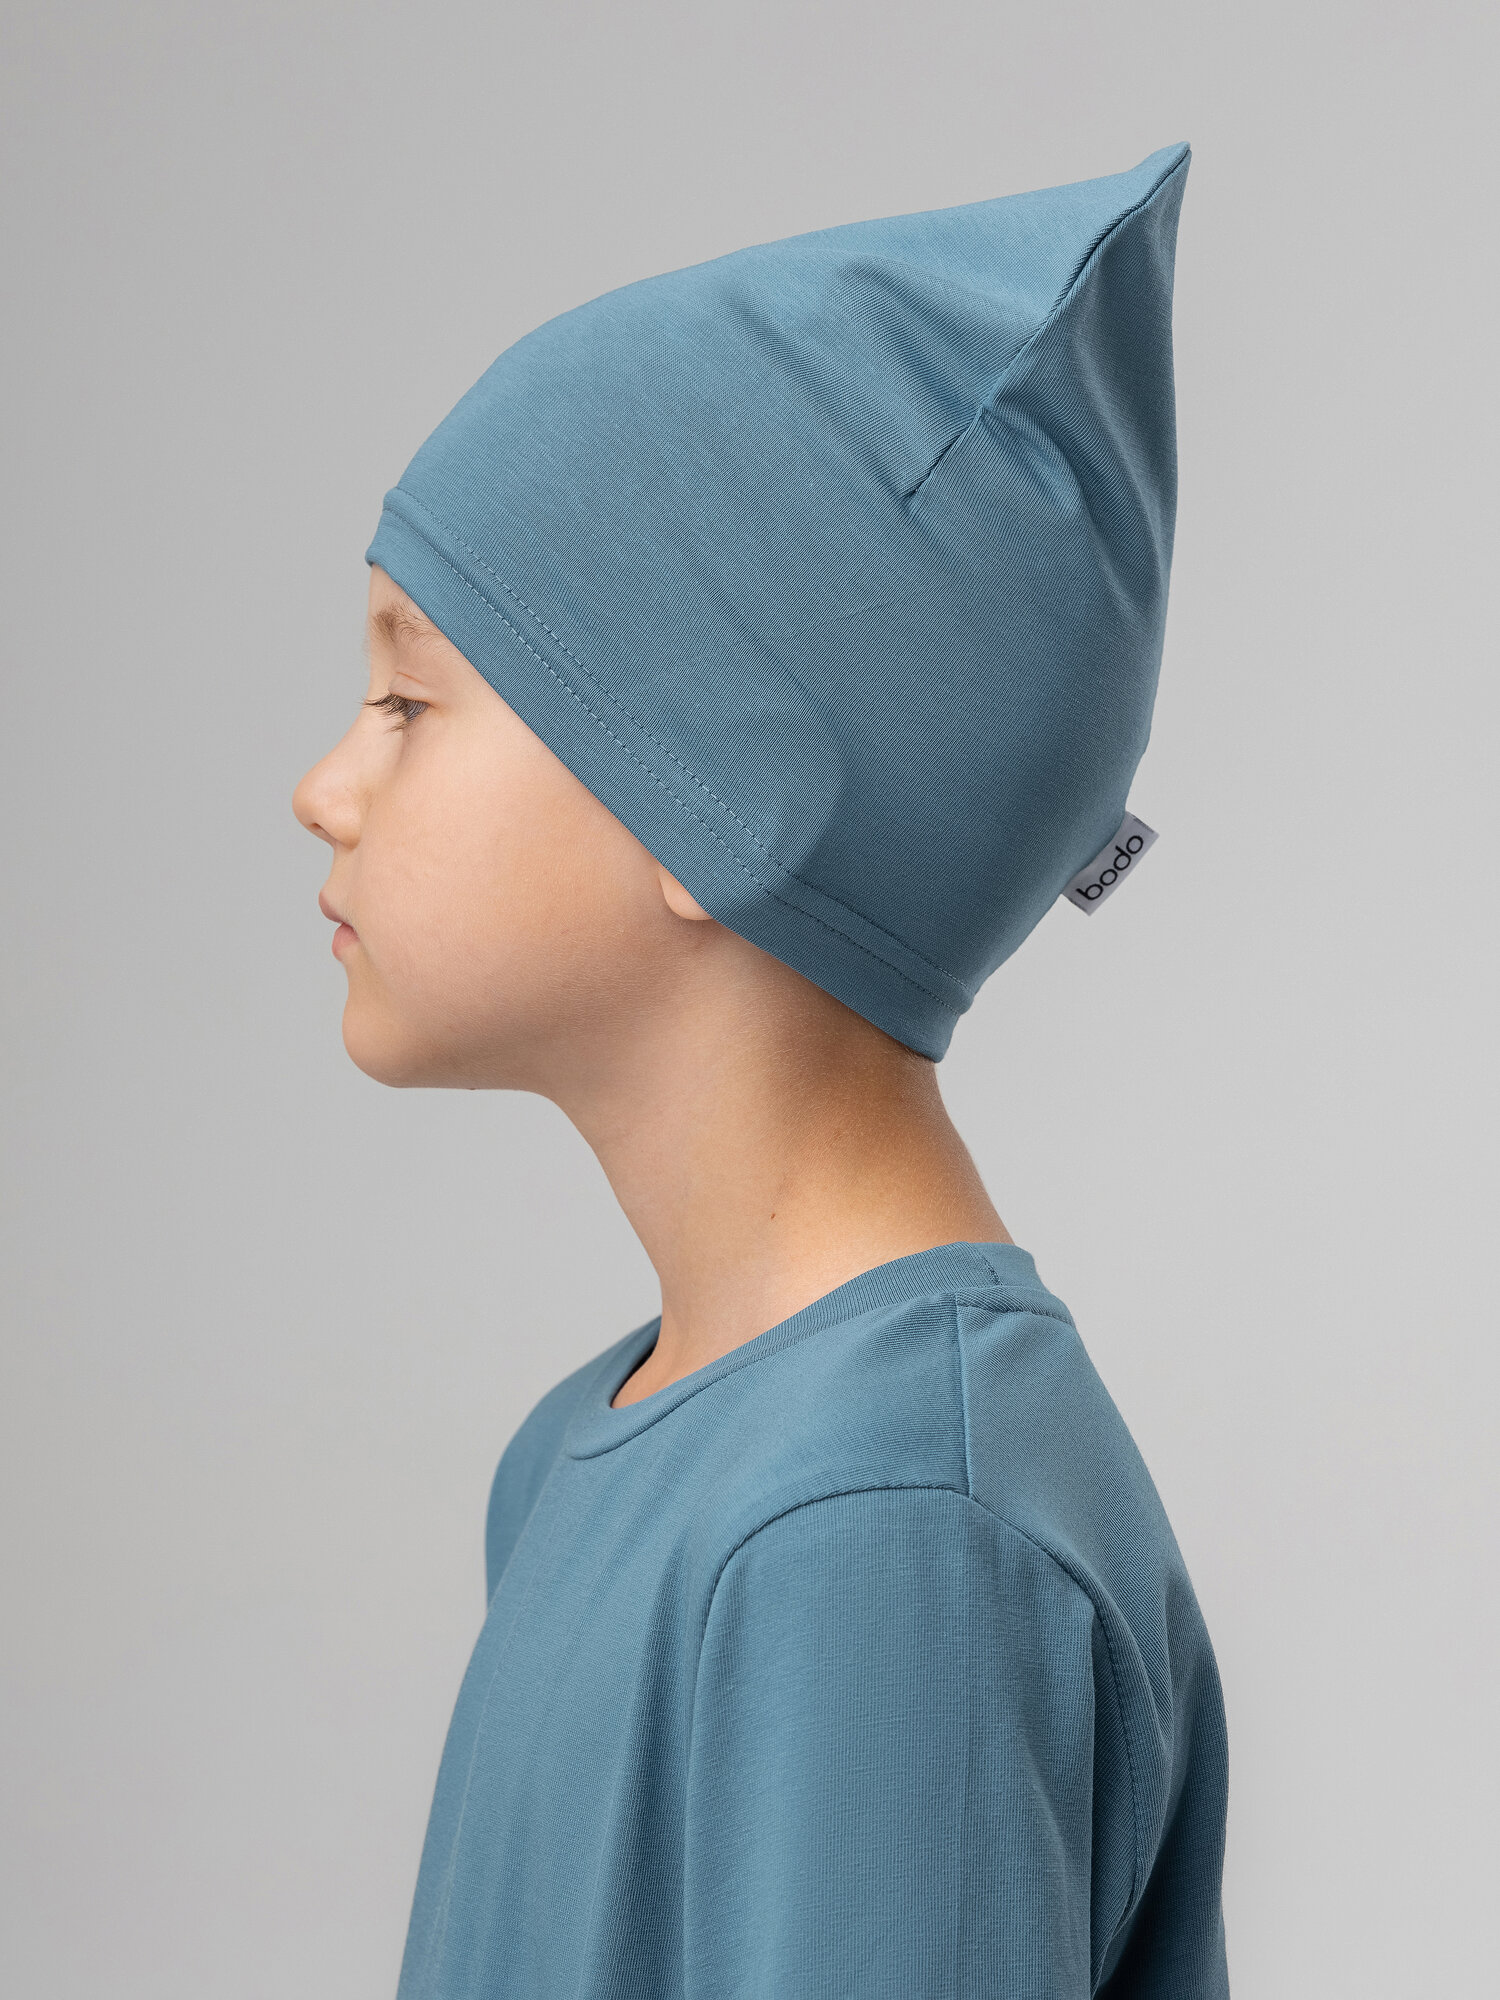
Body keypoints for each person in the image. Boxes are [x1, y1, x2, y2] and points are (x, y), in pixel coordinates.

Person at [294, 140, 1229, 1998]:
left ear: (720, 794)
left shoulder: (880, 1531)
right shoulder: (601, 1454)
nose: (325, 786)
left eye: (409, 699)